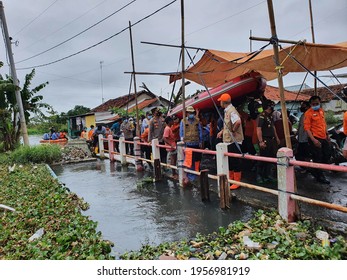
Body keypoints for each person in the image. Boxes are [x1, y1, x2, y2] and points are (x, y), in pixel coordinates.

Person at [216, 93, 244, 189]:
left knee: (235, 161)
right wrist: (222, 131)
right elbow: (228, 124)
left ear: (223, 102)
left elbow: (238, 122)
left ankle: (236, 182)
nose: (220, 103)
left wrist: (233, 131)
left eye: (220, 101)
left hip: (234, 141)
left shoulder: (231, 111)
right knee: (230, 161)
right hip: (229, 141)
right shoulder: (227, 111)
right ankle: (231, 179)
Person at [304, 96, 331, 184]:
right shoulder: (308, 113)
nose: (315, 105)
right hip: (315, 137)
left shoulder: (321, 111)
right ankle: (320, 176)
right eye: (313, 104)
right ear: (310, 104)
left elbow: (324, 124)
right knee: (318, 157)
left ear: (320, 103)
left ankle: (315, 170)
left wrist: (327, 134)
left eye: (317, 103)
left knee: (327, 154)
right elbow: (307, 128)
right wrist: (313, 140)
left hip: (323, 137)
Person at [256, 100, 280, 184]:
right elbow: (258, 129)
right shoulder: (262, 116)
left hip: (271, 140)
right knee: (262, 158)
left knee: (270, 159)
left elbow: (273, 127)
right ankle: (259, 176)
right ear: (269, 106)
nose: (273, 107)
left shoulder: (270, 116)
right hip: (265, 139)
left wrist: (277, 138)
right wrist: (261, 141)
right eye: (272, 105)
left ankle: (267, 175)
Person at [180, 105, 203, 185]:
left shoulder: (197, 121)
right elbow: (181, 132)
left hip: (196, 143)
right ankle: (190, 175)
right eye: (189, 113)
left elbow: (200, 131)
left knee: (197, 159)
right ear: (187, 113)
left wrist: (201, 141)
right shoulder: (183, 121)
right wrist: (182, 141)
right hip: (188, 143)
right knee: (189, 160)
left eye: (192, 112)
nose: (191, 114)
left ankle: (196, 173)